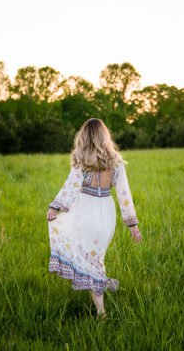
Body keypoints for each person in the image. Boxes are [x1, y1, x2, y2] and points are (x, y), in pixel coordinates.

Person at [46, 118, 142, 319]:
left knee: (89, 260)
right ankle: (100, 305)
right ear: (104, 136)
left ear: (84, 136)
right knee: (96, 259)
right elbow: (124, 193)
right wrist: (132, 224)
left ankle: (101, 311)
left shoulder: (81, 159)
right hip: (106, 215)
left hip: (84, 211)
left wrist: (55, 207)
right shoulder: (115, 161)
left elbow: (71, 186)